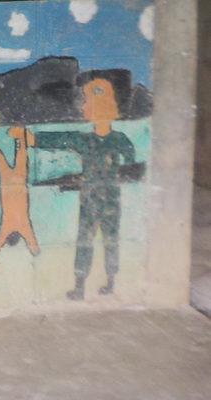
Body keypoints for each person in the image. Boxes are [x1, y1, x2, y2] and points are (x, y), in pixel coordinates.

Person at [31, 70, 139, 300]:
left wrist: (116, 176)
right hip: (90, 197)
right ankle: (80, 284)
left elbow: (132, 168)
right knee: (85, 240)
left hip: (110, 197)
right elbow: (60, 139)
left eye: (90, 100)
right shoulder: (85, 139)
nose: (85, 106)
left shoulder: (119, 140)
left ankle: (110, 281)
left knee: (110, 239)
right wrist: (30, 138)